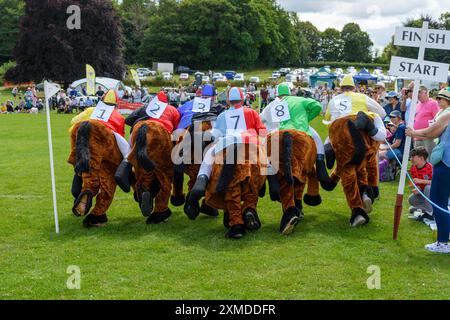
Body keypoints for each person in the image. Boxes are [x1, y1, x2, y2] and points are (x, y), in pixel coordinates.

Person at [406, 88, 450, 253]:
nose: (438, 101)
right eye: (437, 98)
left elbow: (431, 132)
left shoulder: (446, 114)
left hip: (445, 163)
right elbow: (432, 134)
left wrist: (413, 132)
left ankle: (443, 242)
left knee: (438, 202)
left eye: (441, 98)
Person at [413, 85, 440, 156]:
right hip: (417, 137)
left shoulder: (433, 103)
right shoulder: (417, 104)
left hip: (428, 137)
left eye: (419, 92)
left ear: (426, 92)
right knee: (419, 160)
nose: (417, 94)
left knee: (429, 158)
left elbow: (438, 120)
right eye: (416, 92)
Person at [408, 147, 433, 220]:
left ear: (421, 158)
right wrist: (417, 189)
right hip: (424, 193)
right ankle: (425, 209)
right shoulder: (413, 168)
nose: (411, 159)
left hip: (434, 193)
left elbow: (436, 183)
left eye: (413, 157)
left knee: (428, 188)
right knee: (411, 199)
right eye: (411, 157)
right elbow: (418, 185)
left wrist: (421, 181)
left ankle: (430, 214)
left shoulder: (430, 168)